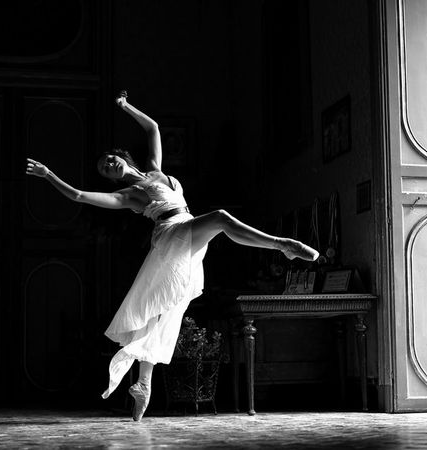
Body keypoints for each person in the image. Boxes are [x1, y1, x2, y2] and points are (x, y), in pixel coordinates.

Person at [25, 91, 318, 421]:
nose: (108, 166)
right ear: (111, 179)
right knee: (221, 218)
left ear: (121, 157)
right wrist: (49, 175)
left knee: (166, 308)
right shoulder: (127, 196)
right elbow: (79, 195)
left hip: (186, 228)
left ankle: (144, 383)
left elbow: (152, 128)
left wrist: (124, 107)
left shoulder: (154, 170)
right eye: (104, 170)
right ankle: (282, 244)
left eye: (109, 160)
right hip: (171, 233)